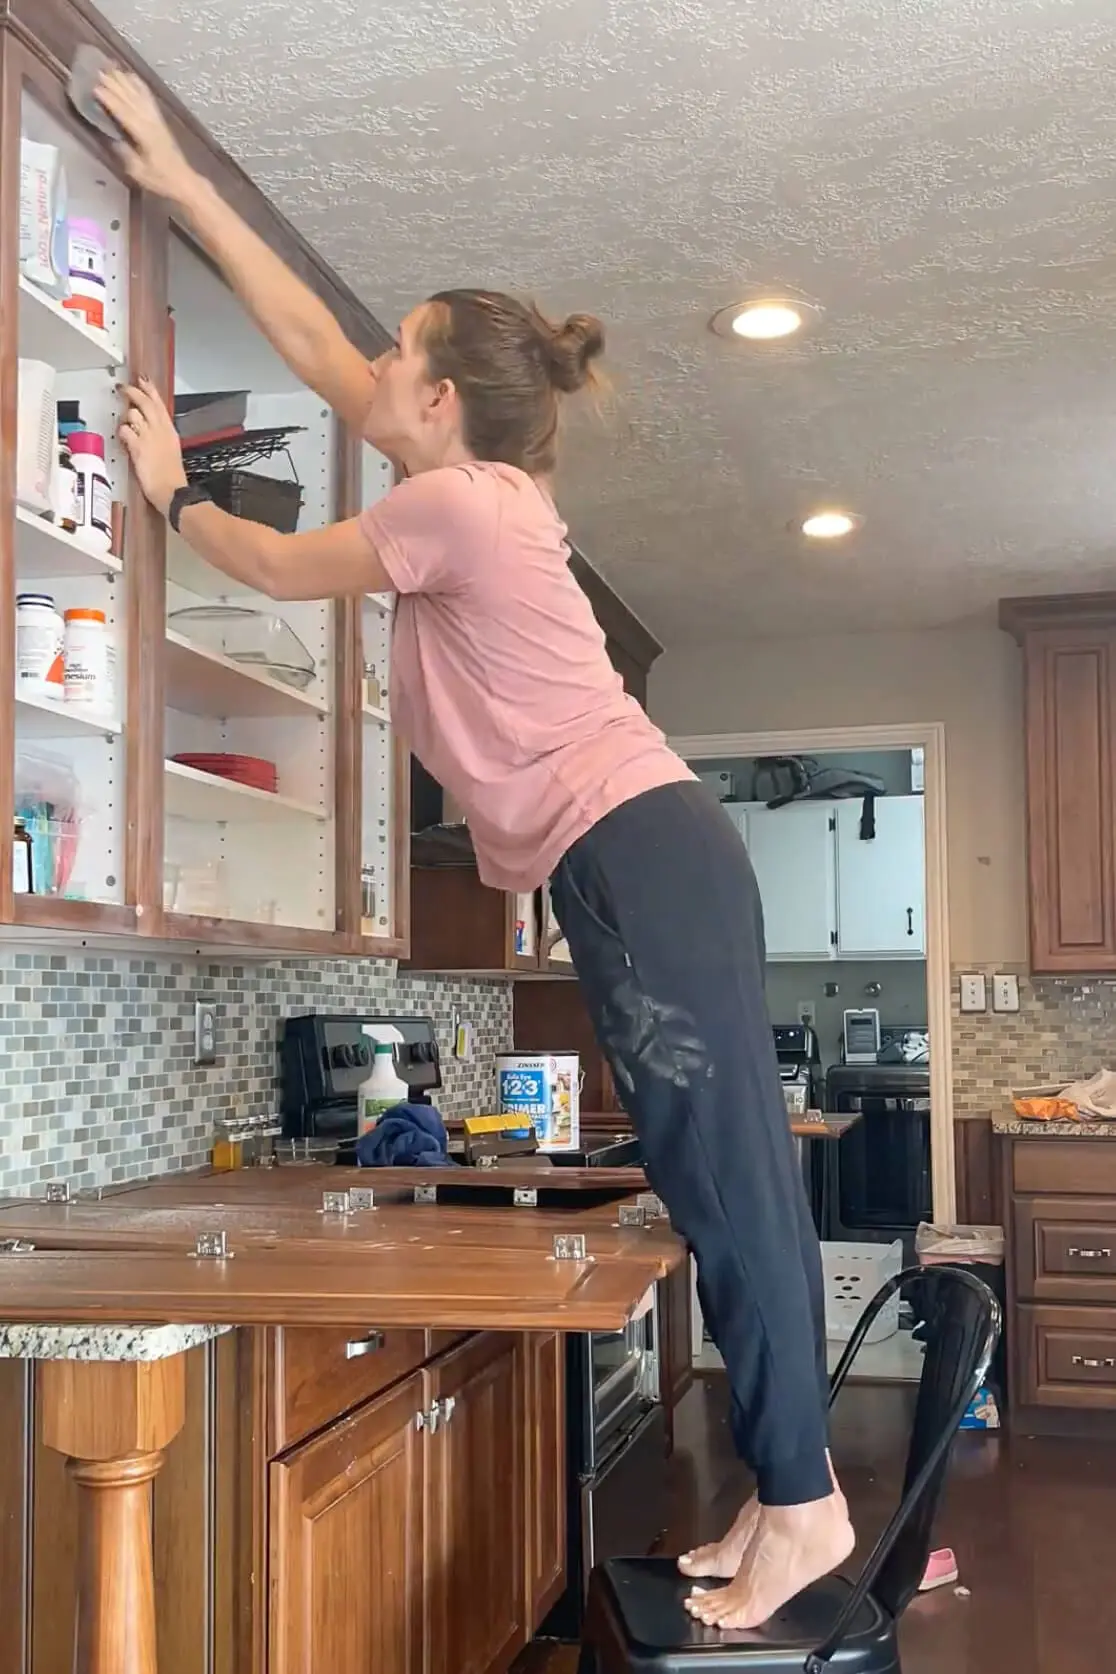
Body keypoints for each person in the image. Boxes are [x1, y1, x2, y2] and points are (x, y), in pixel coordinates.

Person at [95, 70, 855, 1631]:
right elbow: (314, 338)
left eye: (396, 358)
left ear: (437, 403)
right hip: (647, 853)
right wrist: (175, 174)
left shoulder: (457, 516)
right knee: (729, 1188)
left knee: (727, 1185)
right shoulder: (479, 491)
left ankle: (803, 1509)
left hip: (639, 851)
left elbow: (277, 561)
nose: (367, 366)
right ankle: (792, 1501)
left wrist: (170, 489)